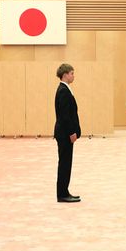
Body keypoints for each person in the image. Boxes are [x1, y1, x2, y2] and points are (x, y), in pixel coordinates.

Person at [54, 63, 81, 203]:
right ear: (65, 75)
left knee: (66, 162)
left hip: (64, 133)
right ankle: (62, 194)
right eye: (72, 73)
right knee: (64, 163)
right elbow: (65, 115)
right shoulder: (63, 90)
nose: (73, 76)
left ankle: (64, 191)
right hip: (65, 134)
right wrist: (72, 132)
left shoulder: (65, 89)